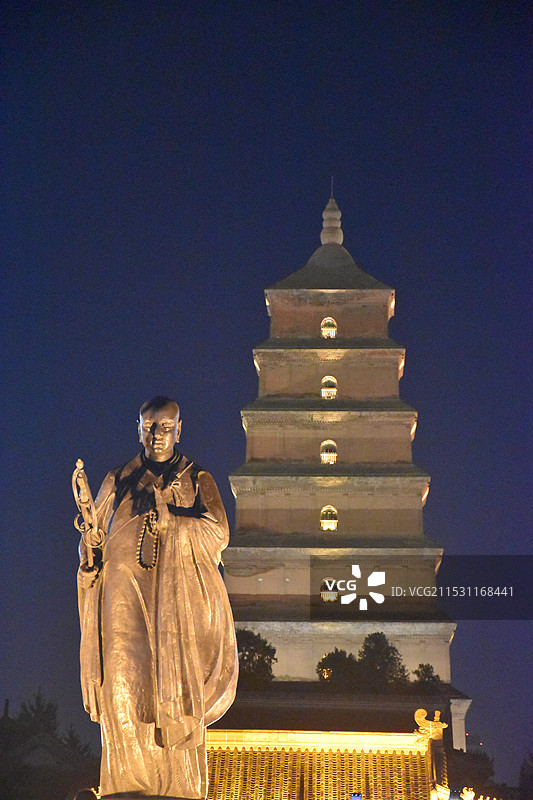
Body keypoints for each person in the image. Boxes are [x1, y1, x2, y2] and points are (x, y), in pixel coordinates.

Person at [77, 396, 238, 799]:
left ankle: (176, 789)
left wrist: (173, 524)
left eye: (166, 427)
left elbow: (218, 533)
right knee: (121, 689)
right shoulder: (118, 478)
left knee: (170, 697)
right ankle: (123, 787)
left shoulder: (195, 477)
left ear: (179, 430)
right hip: (120, 599)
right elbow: (92, 539)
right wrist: (90, 548)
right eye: (150, 427)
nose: (157, 435)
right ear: (138, 428)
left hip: (174, 609)